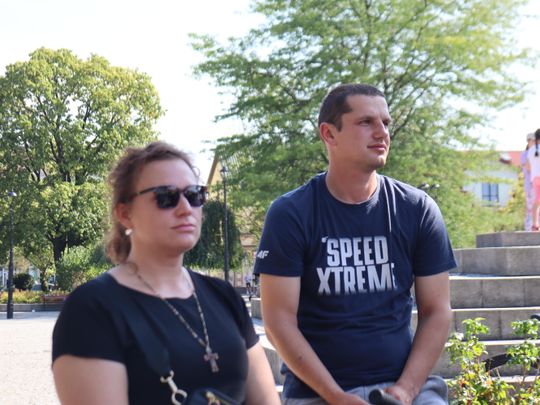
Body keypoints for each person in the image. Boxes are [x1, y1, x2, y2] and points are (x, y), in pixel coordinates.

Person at [254, 84, 456, 405]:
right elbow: (279, 323)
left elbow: (437, 312)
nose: (382, 133)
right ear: (329, 134)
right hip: (317, 394)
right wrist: (335, 396)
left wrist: (405, 390)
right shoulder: (291, 213)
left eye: (385, 123)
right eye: (366, 122)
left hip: (403, 390)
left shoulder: (417, 209)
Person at [52, 141, 280, 405]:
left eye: (194, 195)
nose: (185, 208)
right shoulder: (91, 310)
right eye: (166, 197)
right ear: (125, 214)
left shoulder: (224, 297)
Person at [521, 132, 536, 231]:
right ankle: (529, 227)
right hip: (530, 184)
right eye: (532, 141)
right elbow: (528, 167)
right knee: (530, 206)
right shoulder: (525, 154)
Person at [526, 129, 540, 231]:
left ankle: (535, 225)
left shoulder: (531, 150)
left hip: (534, 178)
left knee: (537, 200)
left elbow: (527, 166)